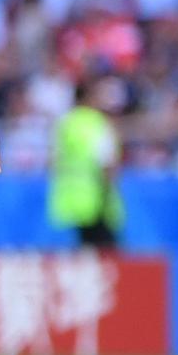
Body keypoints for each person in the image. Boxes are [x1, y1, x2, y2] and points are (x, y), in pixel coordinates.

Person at [51, 77, 123, 250]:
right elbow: (106, 163)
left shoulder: (65, 124)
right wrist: (108, 194)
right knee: (107, 255)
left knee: (83, 254)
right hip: (97, 200)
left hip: (71, 201)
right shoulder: (97, 124)